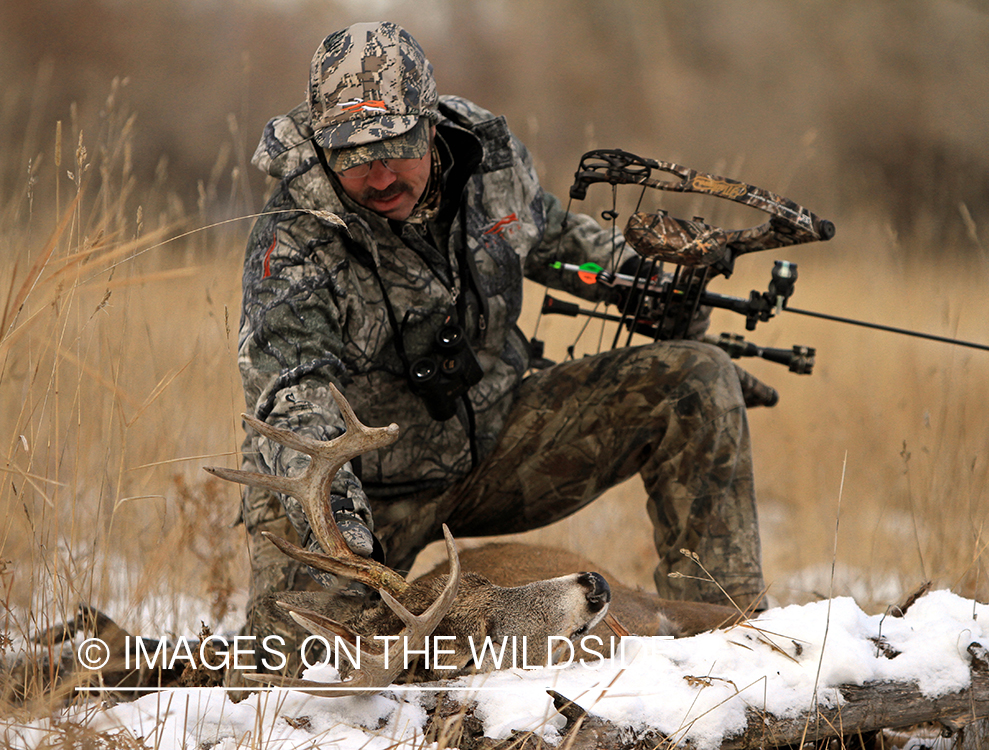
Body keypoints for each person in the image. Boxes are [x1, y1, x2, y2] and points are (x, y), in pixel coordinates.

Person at [236, 21, 769, 656]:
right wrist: (343, 539)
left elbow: (550, 241)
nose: (378, 177)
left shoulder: (490, 162)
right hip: (361, 501)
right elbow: (295, 402)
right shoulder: (292, 237)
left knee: (698, 378)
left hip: (489, 445)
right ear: (324, 147)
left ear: (430, 125)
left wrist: (636, 278)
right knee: (294, 680)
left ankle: (738, 645)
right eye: (353, 157)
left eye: (395, 146)